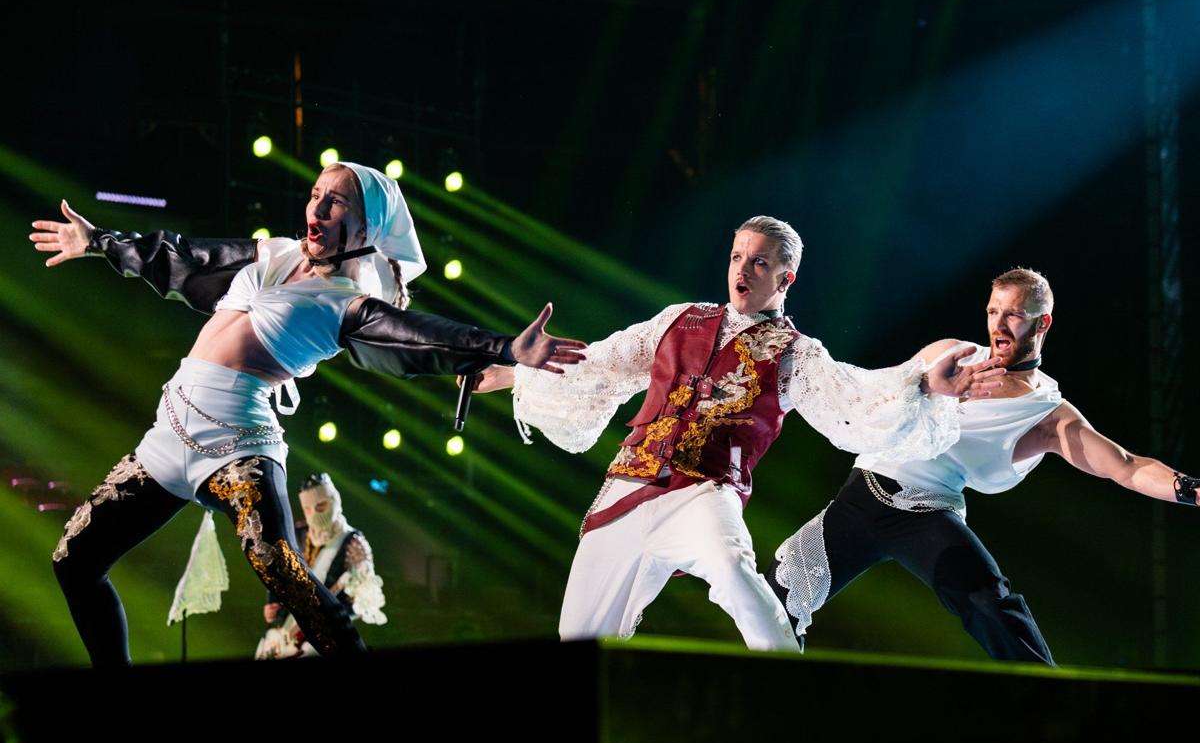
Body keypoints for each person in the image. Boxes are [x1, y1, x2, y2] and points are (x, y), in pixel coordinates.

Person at [30, 161, 585, 666]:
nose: (316, 210)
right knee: (74, 562)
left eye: (336, 202)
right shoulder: (273, 253)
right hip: (166, 437)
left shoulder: (347, 302)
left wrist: (505, 348)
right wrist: (100, 241)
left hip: (236, 446)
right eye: (316, 194)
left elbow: (421, 333)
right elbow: (187, 257)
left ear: (364, 229)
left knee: (291, 580)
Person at [471, 216, 1002, 652]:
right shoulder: (678, 320)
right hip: (629, 487)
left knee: (732, 571)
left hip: (704, 491)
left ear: (785, 278)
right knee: (578, 635)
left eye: (759, 262)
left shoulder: (796, 352)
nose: (742, 270)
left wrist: (925, 386)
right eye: (736, 257)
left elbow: (856, 397)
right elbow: (601, 365)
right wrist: (512, 373)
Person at [767, 268, 1199, 664]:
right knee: (773, 597)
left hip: (927, 513)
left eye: (1013, 314)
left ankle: (1061, 714)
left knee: (990, 605)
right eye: (993, 311)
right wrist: (925, 384)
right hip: (861, 497)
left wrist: (1191, 489)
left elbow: (1125, 467)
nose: (998, 325)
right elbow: (872, 398)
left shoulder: (1047, 414)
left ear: (1041, 322)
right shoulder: (952, 355)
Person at [256, 473, 384, 659]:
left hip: (323, 640)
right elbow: (278, 570)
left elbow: (364, 602)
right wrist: (272, 603)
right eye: (308, 509)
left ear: (334, 501)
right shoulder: (297, 533)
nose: (315, 513)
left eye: (321, 506)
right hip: (279, 636)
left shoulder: (354, 545)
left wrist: (328, 615)